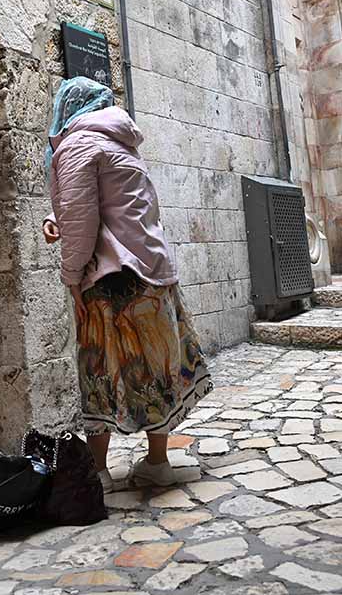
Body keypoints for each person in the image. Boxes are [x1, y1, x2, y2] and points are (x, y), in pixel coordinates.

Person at [43, 77, 212, 490]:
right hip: (150, 268)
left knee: (99, 370)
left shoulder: (78, 144)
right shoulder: (120, 142)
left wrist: (71, 279)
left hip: (112, 279)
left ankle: (98, 471)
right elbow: (110, 205)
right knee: (154, 366)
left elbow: (81, 222)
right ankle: (157, 462)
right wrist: (56, 219)